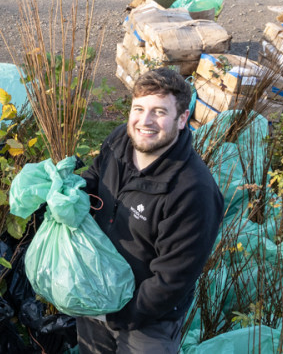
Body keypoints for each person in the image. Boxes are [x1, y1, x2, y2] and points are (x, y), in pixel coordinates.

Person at [77, 67, 224, 353]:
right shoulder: (122, 139)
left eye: (159, 111)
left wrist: (114, 315)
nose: (145, 121)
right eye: (139, 108)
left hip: (148, 320)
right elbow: (95, 177)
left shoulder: (193, 191)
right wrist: (69, 193)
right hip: (98, 290)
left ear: (182, 119)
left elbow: (171, 281)